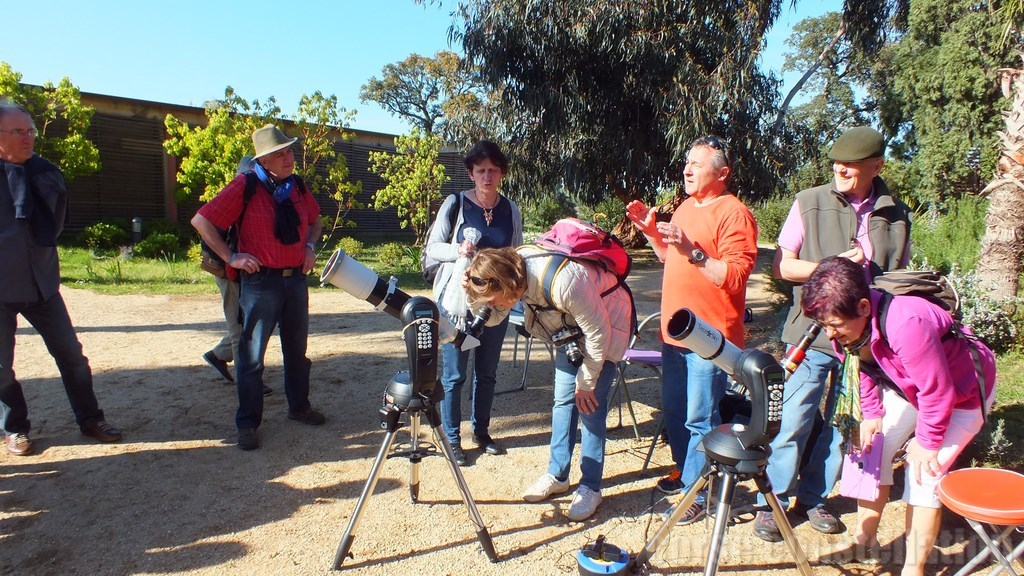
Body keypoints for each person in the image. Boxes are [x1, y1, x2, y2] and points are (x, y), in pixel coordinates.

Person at [754, 126, 912, 542]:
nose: (840, 170)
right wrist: (832, 265)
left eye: (851, 165)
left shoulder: (896, 215)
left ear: (875, 167)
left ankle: (814, 498)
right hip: (811, 334)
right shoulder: (809, 202)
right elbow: (783, 268)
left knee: (843, 426)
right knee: (793, 418)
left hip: (864, 340)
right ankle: (772, 503)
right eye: (836, 163)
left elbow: (898, 279)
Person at [800, 256, 995, 575]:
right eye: (824, 326)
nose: (830, 335)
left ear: (864, 308)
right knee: (870, 449)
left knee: (923, 474)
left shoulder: (907, 324)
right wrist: (872, 413)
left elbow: (938, 392)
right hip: (910, 384)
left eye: (834, 327)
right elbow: (858, 364)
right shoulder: (841, 327)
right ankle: (865, 542)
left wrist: (928, 443)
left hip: (965, 391)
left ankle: (913, 569)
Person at [626, 135, 758, 524]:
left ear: (722, 173)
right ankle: (690, 477)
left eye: (697, 164)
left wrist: (695, 251)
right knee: (676, 412)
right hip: (675, 335)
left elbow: (734, 277)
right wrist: (652, 231)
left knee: (700, 418)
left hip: (711, 341)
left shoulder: (735, 213)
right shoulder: (685, 206)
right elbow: (669, 256)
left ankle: (695, 495)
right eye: (687, 162)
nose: (687, 169)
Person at [464, 246, 632, 520]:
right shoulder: (514, 276)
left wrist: (587, 381)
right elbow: (494, 318)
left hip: (607, 329)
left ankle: (591, 487)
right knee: (563, 403)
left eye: (493, 299)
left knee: (589, 407)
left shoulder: (566, 280)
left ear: (505, 283)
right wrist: (474, 297)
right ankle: (558, 475)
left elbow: (598, 333)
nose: (492, 305)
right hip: (571, 333)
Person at [0, 101, 122, 456]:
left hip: (43, 286)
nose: (28, 138)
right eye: (18, 132)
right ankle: (14, 429)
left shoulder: (46, 173)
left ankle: (90, 419)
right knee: (1, 368)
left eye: (30, 131)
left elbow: (57, 222)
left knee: (71, 356)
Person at [192, 124, 324, 451]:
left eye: (290, 151)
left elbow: (315, 220)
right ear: (263, 160)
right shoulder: (246, 185)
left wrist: (309, 247)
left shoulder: (297, 186)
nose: (288, 157)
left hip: (295, 280)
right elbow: (202, 221)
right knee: (251, 359)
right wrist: (231, 257)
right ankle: (248, 422)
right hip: (261, 282)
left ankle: (299, 407)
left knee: (297, 352)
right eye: (280, 153)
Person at [424, 140, 523, 466]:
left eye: (493, 170)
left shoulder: (511, 210)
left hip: (496, 305)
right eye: (480, 170)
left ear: (502, 173)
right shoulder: (455, 204)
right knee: (454, 376)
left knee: (488, 373)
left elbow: (517, 256)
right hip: (459, 304)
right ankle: (452, 438)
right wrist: (458, 252)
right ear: (471, 172)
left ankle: (481, 432)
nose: (487, 176)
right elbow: (432, 249)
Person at [200, 155, 272, 396]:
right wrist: (231, 258)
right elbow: (204, 225)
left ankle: (218, 355)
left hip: (247, 274)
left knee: (253, 324)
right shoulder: (235, 194)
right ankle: (248, 383)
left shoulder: (256, 196)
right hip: (228, 272)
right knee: (239, 326)